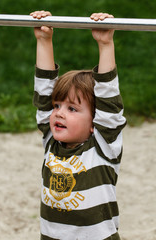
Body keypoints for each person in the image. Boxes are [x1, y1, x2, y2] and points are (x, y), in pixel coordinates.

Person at [31, 10, 126, 240]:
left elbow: (109, 100)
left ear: (95, 122)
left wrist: (105, 44)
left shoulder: (103, 147)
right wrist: (44, 39)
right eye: (57, 106)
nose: (59, 114)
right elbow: (44, 94)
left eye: (72, 109)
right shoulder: (52, 142)